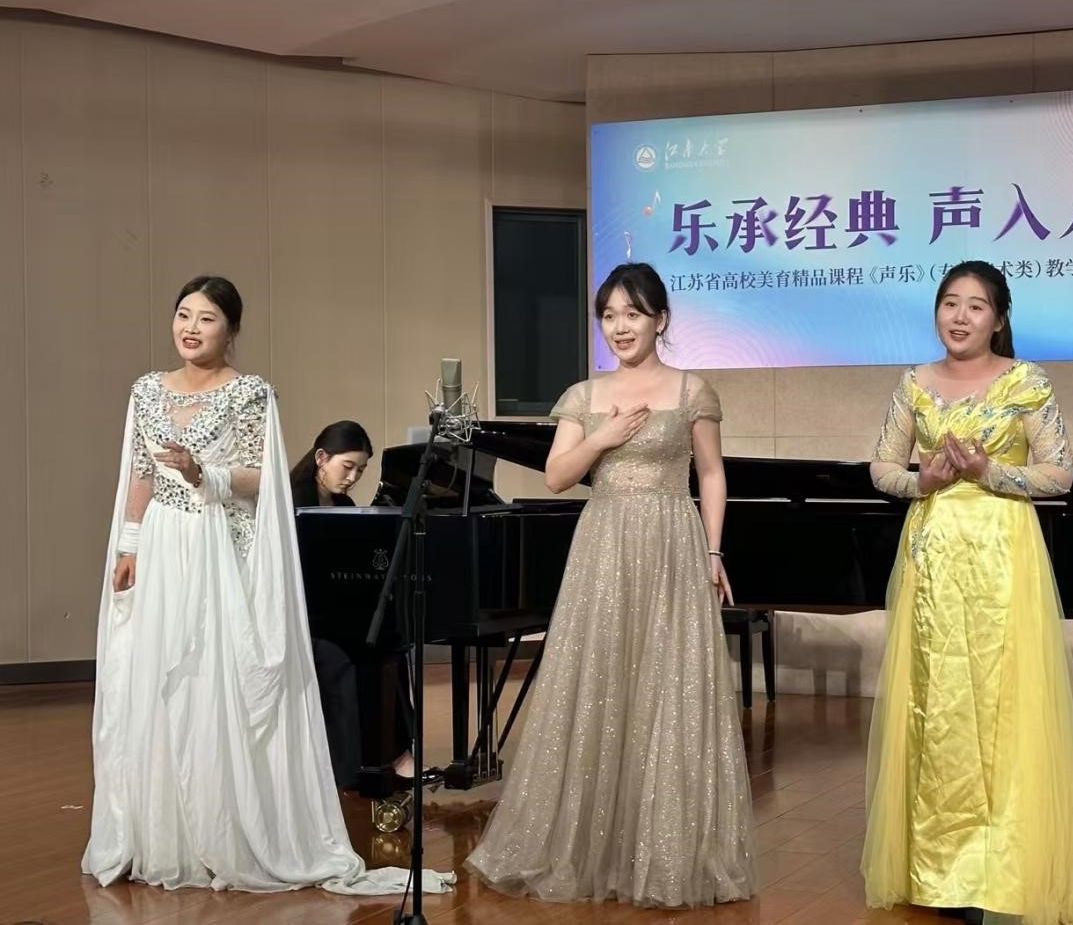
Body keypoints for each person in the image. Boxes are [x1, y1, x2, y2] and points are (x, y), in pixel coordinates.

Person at [82, 276, 425, 895]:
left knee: (211, 680)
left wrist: (204, 473)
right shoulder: (146, 390)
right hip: (160, 544)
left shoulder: (249, 393)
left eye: (206, 318)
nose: (190, 328)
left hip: (216, 547)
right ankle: (160, 832)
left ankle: (222, 829)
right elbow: (139, 472)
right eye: (183, 314)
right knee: (155, 679)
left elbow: (263, 477)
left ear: (231, 330)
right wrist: (128, 545)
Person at [465, 262, 755, 908]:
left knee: (668, 687)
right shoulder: (583, 395)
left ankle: (663, 852)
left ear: (660, 319)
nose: (620, 326)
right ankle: (588, 848)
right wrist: (603, 435)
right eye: (609, 315)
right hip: (603, 546)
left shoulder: (693, 390)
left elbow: (711, 474)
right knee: (598, 682)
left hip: (672, 544)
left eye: (633, 313)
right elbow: (556, 476)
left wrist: (713, 550)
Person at [861, 261, 1073, 923]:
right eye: (949, 303)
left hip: (1004, 557)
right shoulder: (914, 383)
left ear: (999, 318)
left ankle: (1000, 868)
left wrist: (990, 472)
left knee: (1002, 702)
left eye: (975, 306)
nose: (959, 316)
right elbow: (881, 466)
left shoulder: (1026, 381)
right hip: (932, 559)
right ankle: (939, 870)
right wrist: (920, 482)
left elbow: (1058, 474)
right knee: (937, 704)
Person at [290, 422, 416, 788]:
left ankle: (392, 752)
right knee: (346, 654)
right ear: (321, 458)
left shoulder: (344, 505)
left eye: (360, 470)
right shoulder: (292, 499)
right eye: (348, 466)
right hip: (301, 615)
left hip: (331, 610)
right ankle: (349, 768)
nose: (353, 478)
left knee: (391, 643)